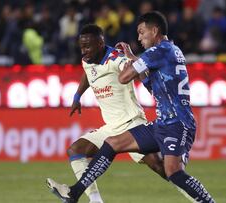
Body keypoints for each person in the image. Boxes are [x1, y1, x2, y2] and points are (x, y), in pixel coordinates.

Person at [46, 12, 216, 203]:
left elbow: (124, 77)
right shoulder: (171, 50)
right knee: (112, 143)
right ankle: (74, 193)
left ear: (154, 30)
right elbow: (151, 85)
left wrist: (131, 62)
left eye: (142, 32)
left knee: (172, 172)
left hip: (177, 123)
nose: (139, 38)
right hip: (163, 123)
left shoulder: (157, 51)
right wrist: (135, 60)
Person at [55, 24, 166, 203]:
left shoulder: (116, 59)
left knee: (161, 167)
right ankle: (95, 200)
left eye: (88, 46)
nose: (84, 51)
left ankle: (193, 193)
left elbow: (134, 71)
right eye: (81, 47)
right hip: (111, 128)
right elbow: (87, 73)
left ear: (100, 43)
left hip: (132, 123)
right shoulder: (87, 60)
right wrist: (77, 96)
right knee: (75, 150)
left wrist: (132, 62)